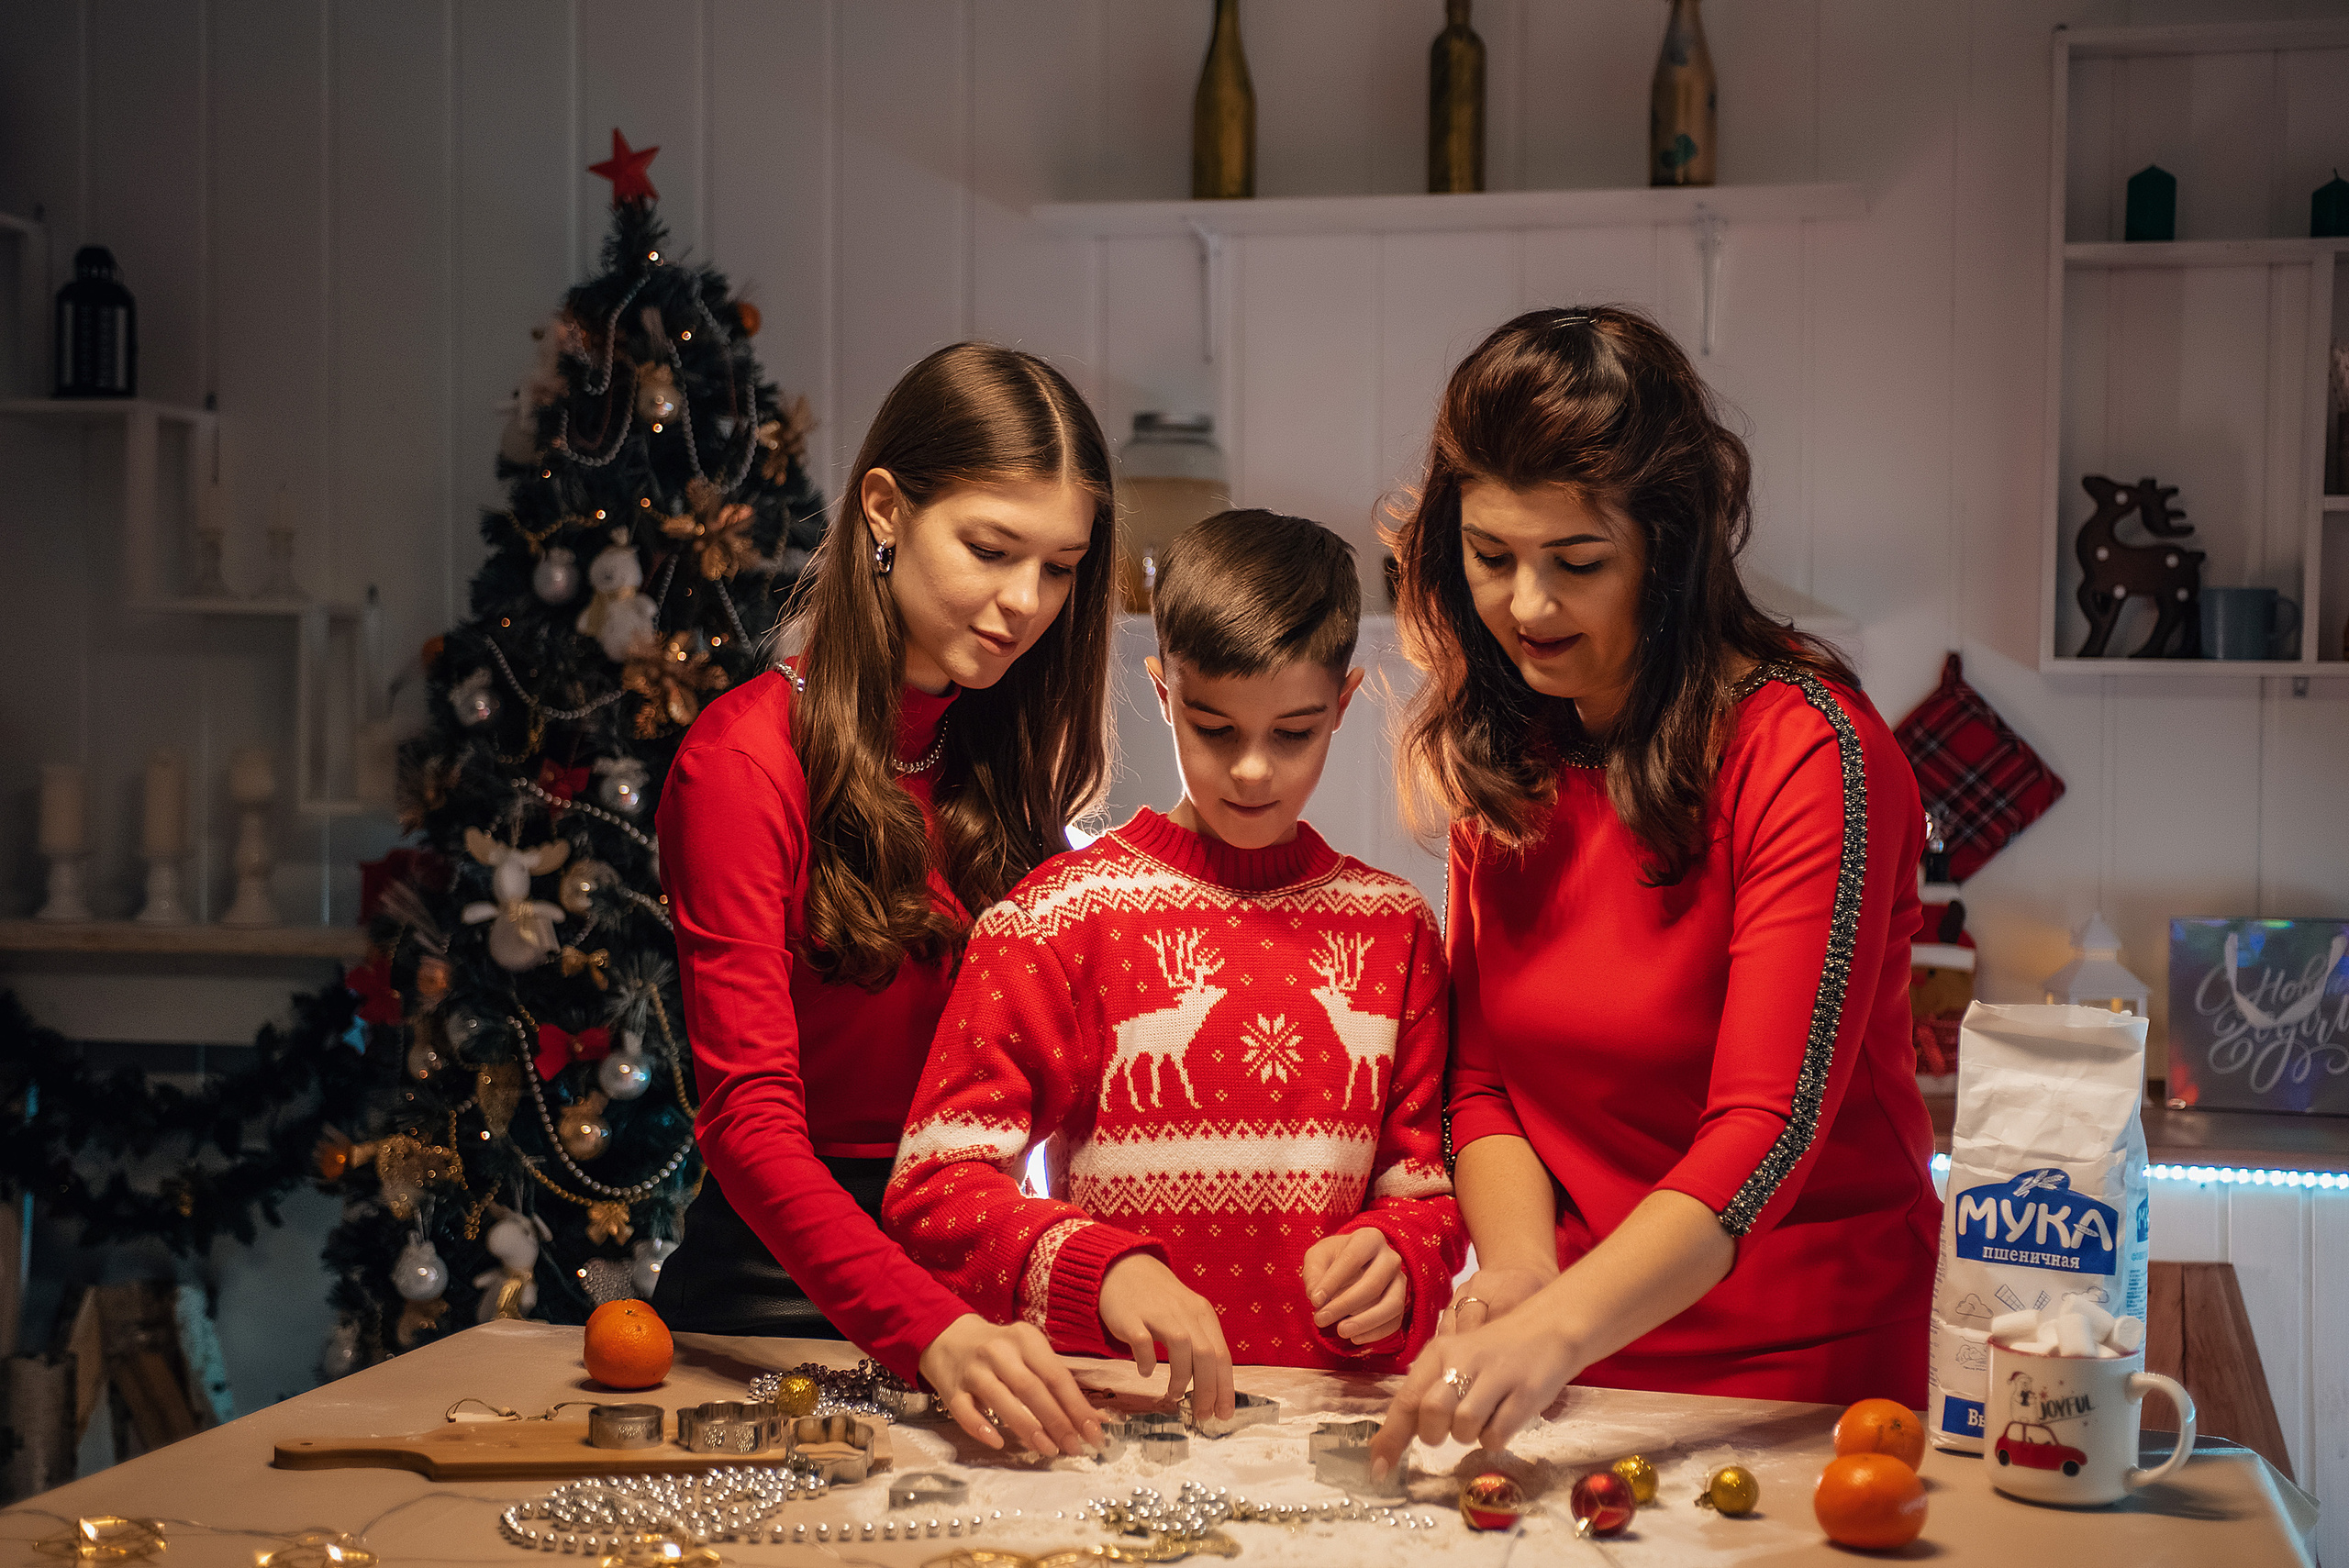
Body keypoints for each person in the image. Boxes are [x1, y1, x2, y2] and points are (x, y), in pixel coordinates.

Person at [1369, 307, 1940, 1473]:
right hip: (1575, 1360)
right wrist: (1520, 1274)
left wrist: (1555, 1323)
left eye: (1577, 563)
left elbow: (1765, 1129)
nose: (1528, 607)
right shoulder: (1510, 746)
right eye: (1490, 557)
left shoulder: (1810, 750)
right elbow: (1482, 1084)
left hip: (1808, 1375)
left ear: (1668, 552)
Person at [883, 510, 1463, 1418]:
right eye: (1215, 727)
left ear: (1344, 702)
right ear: (1162, 690)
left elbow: (1426, 1195)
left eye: (1295, 731)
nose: (1252, 770)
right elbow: (932, 1189)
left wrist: (1403, 1262)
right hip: (1122, 1426)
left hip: (1331, 1437)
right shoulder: (1057, 920)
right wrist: (1096, 1271)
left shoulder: (1395, 932)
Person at [651, 342, 1118, 1458]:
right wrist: (931, 1330)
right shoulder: (742, 761)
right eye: (991, 549)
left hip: (978, 1292)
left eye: (1059, 568)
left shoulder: (997, 762)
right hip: (777, 1309)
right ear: (884, 510)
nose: (1026, 602)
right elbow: (748, 1125)